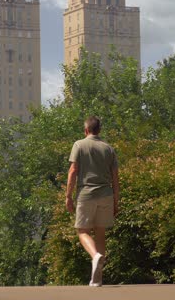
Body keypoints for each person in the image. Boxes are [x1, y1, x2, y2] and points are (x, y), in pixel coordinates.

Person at [66, 116, 119, 287]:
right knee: (100, 233)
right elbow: (115, 178)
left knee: (82, 231)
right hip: (106, 194)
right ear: (99, 130)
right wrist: (116, 202)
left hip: (86, 194)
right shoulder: (109, 149)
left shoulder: (79, 145)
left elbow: (73, 171)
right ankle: (97, 279)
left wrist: (68, 196)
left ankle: (95, 256)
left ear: (86, 130)